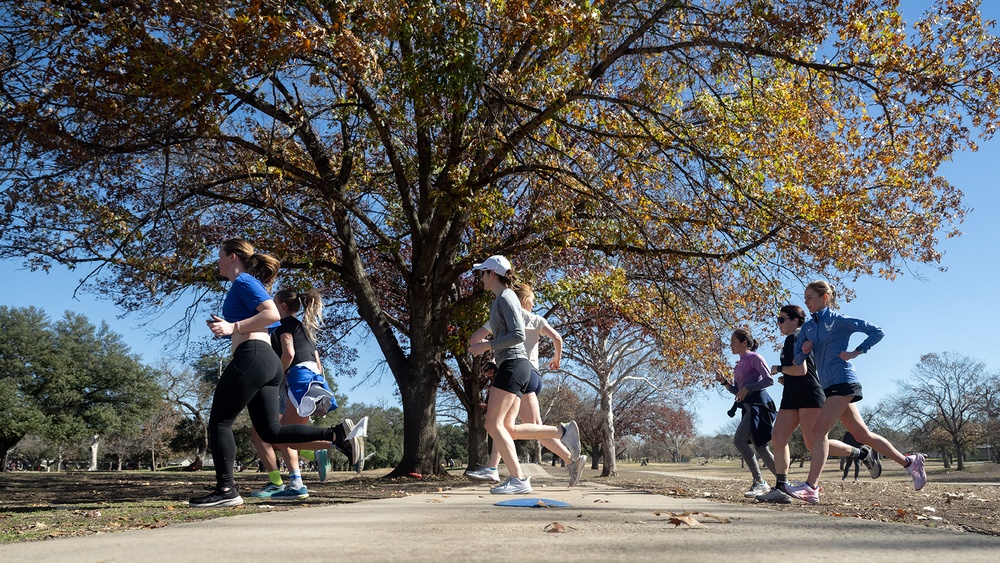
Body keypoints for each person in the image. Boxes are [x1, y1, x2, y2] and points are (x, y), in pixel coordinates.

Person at [189, 238, 363, 508]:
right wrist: (232, 327)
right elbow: (264, 317)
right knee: (270, 431)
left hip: (253, 357)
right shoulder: (246, 284)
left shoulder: (244, 282)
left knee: (220, 422)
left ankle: (226, 490)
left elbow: (271, 314)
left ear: (233, 256)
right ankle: (336, 435)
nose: (218, 261)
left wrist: (232, 328)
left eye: (220, 255)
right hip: (267, 361)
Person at [784, 280, 926, 504]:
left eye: (810, 297)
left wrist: (857, 351)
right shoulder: (809, 328)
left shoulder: (840, 321)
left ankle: (811, 487)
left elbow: (877, 332)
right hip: (829, 386)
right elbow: (797, 360)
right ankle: (910, 462)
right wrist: (803, 350)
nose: (806, 302)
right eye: (805, 298)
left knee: (819, 431)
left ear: (825, 298)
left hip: (845, 381)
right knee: (862, 436)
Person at [468, 255, 582, 494]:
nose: (479, 278)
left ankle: (518, 479)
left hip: (515, 365)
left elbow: (518, 335)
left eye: (482, 273)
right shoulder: (501, 300)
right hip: (514, 365)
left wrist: (486, 345)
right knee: (507, 428)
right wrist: (483, 346)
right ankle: (562, 432)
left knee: (492, 423)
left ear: (492, 274)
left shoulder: (506, 298)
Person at [755, 305, 879, 505]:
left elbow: (801, 370)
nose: (778, 324)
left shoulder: (796, 337)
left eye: (782, 319)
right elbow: (802, 369)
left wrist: (778, 369)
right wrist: (787, 377)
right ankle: (781, 487)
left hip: (810, 394)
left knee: (814, 444)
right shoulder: (798, 338)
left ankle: (861, 452)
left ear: (795, 321)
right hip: (792, 394)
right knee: (778, 438)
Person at [248, 288, 342, 501]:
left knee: (280, 435)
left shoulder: (281, 326)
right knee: (275, 434)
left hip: (294, 380)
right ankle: (313, 457)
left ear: (281, 306)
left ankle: (338, 443)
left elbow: (289, 353)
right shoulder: (305, 329)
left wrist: (275, 378)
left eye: (273, 302)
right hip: (312, 380)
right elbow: (318, 363)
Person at [715, 329, 777, 499]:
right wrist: (724, 382)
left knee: (739, 440)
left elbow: (769, 379)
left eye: (734, 341)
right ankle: (783, 483)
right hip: (749, 406)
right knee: (761, 447)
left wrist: (747, 387)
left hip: (761, 404)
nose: (731, 344)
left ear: (744, 343)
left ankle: (760, 482)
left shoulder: (754, 358)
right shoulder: (739, 364)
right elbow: (738, 392)